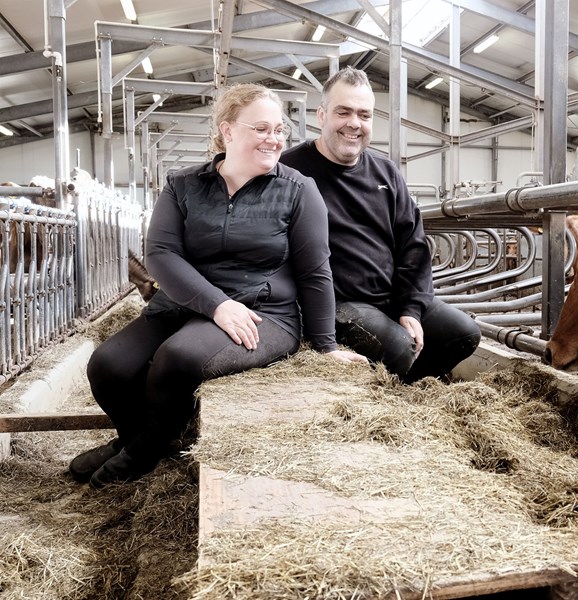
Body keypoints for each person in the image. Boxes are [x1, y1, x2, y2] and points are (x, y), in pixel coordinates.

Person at [69, 83, 366, 489]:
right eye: (261, 128)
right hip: (182, 305)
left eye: (279, 129)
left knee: (178, 358)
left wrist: (327, 345)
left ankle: (137, 456)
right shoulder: (184, 185)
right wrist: (216, 305)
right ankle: (138, 439)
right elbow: (160, 253)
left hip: (263, 314)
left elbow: (315, 271)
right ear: (227, 131)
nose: (274, 138)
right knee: (108, 366)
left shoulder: (298, 190)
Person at [280, 67, 481, 384]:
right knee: (398, 347)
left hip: (389, 299)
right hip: (337, 304)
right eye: (343, 111)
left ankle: (402, 389)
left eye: (364, 114)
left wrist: (410, 309)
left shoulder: (386, 173)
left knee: (464, 332)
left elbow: (413, 247)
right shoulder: (289, 171)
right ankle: (388, 389)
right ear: (321, 115)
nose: (354, 124)